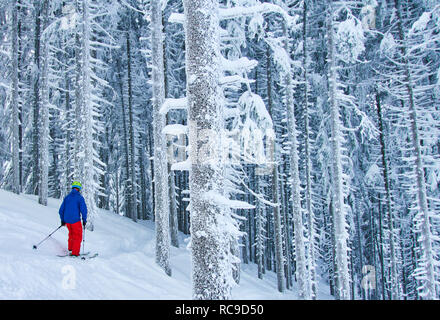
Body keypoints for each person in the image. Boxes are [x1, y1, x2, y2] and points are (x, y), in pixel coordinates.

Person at [59, 181, 87, 256]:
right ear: (79, 189)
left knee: (71, 234)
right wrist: (84, 219)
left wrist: (62, 220)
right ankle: (75, 253)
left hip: (67, 221)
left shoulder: (67, 197)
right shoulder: (80, 198)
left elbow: (61, 210)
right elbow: (83, 210)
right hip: (75, 221)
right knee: (77, 236)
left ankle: (71, 249)